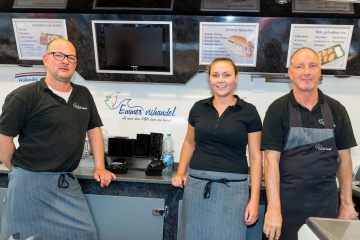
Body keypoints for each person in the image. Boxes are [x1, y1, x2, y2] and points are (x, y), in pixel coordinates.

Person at [0, 38, 116, 240]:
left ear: (75, 64)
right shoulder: (24, 96)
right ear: (46, 59)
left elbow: (94, 129)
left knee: (84, 234)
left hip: (65, 182)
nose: (65, 61)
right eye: (58, 55)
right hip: (28, 184)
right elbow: (3, 138)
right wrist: (19, 171)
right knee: (23, 237)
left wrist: (100, 166)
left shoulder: (83, 94)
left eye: (71, 57)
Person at [261, 47, 359, 240]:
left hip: (325, 206)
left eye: (312, 66)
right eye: (300, 66)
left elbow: (345, 160)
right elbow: (270, 161)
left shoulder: (336, 110)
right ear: (290, 73)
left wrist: (347, 203)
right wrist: (272, 209)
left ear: (319, 71)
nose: (306, 71)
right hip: (286, 206)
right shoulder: (277, 109)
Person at [172, 57, 263, 240]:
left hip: (234, 189)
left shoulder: (249, 112)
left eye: (226, 75)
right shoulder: (198, 108)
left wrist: (254, 200)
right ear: (209, 79)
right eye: (215, 75)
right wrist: (180, 172)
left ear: (235, 78)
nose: (221, 80)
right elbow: (190, 142)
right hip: (197, 186)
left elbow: (255, 157)